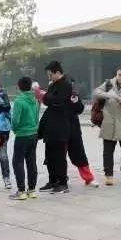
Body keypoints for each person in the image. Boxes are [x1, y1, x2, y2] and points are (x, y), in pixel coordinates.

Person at [38, 61, 73, 194]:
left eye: (50, 74)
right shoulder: (52, 85)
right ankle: (52, 181)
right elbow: (47, 100)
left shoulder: (66, 85)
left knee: (59, 157)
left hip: (61, 126)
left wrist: (48, 98)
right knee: (49, 156)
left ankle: (62, 183)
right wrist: (48, 98)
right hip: (50, 126)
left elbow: (57, 101)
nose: (49, 77)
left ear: (58, 72)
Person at [9, 77, 40, 200]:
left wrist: (15, 129)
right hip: (33, 134)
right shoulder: (35, 100)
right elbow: (37, 118)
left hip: (22, 135)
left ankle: (21, 191)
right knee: (31, 161)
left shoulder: (19, 101)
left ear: (19, 86)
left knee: (17, 162)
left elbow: (15, 120)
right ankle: (32, 190)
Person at [66, 77, 100, 187]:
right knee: (59, 156)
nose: (71, 87)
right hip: (60, 129)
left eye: (72, 84)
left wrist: (75, 100)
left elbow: (80, 109)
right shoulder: (55, 94)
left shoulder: (74, 95)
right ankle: (61, 178)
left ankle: (88, 178)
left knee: (80, 155)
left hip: (74, 129)